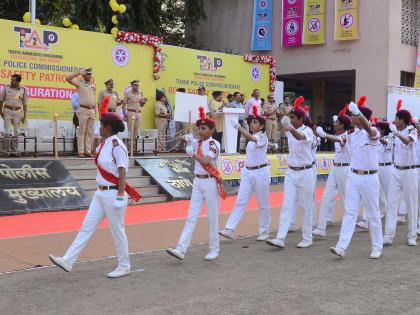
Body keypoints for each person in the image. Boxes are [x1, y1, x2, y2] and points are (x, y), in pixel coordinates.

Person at [49, 112, 141, 278]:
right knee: (87, 226)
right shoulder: (104, 144)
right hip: (101, 192)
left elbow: (122, 172)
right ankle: (68, 260)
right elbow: (96, 154)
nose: (99, 127)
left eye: (101, 125)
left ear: (108, 127)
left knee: (117, 231)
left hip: (114, 193)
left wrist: (120, 195)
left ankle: (124, 265)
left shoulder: (117, 146)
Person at [167, 107, 225, 261]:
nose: (200, 130)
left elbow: (206, 160)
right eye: (199, 127)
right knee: (191, 216)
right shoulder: (197, 141)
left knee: (212, 217)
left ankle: (214, 249)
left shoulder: (214, 144)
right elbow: (184, 142)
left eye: (204, 128)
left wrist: (191, 153)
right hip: (197, 181)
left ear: (212, 130)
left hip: (210, 181)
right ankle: (181, 248)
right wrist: (184, 139)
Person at [330, 96, 383, 259]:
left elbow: (369, 129)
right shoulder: (352, 134)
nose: (351, 118)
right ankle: (341, 246)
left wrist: (358, 113)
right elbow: (340, 138)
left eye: (353, 116)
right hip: (353, 176)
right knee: (350, 212)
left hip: (369, 177)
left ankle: (376, 247)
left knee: (373, 213)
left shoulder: (373, 132)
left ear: (361, 118)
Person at [265, 96, 316, 249]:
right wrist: (286, 123)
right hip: (291, 172)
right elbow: (289, 130)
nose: (290, 119)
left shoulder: (308, 131)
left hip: (306, 172)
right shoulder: (290, 129)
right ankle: (280, 238)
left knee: (306, 206)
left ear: (300, 119)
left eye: (293, 117)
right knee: (287, 205)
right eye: (290, 117)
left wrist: (289, 127)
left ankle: (308, 238)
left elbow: (299, 137)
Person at [219, 105, 271, 241]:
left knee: (263, 203)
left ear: (261, 126)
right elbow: (251, 138)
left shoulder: (261, 137)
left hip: (261, 172)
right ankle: (230, 229)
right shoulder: (255, 136)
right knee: (240, 201)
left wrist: (238, 127)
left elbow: (251, 138)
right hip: (248, 172)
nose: (252, 124)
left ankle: (264, 231)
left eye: (255, 122)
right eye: (251, 122)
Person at [312, 108, 352, 237]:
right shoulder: (339, 135)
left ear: (342, 125)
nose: (334, 124)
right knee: (326, 197)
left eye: (336, 122)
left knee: (346, 200)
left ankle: (348, 226)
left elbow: (337, 139)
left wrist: (323, 134)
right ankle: (321, 227)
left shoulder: (347, 136)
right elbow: (335, 138)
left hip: (346, 169)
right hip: (335, 168)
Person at [384, 102, 418, 246]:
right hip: (396, 170)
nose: (394, 121)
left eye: (396, 119)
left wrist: (397, 133)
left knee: (412, 204)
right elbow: (389, 144)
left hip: (410, 171)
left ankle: (412, 236)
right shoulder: (394, 133)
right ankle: (388, 235)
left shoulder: (412, 130)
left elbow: (407, 141)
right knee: (391, 203)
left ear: (402, 120)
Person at [66, 68, 96, 158]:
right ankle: (81, 151)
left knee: (90, 132)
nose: (90, 76)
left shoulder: (92, 85)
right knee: (82, 131)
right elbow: (68, 78)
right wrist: (78, 73)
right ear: (83, 75)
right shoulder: (79, 83)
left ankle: (87, 151)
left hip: (92, 110)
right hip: (83, 110)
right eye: (88, 74)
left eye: (90, 74)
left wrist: (95, 111)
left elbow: (93, 99)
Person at [0, 74, 28, 155]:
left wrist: (24, 115)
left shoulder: (23, 90)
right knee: (7, 131)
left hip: (18, 112)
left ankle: (14, 150)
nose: (11, 81)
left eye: (14, 80)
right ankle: (6, 151)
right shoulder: (6, 88)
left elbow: (25, 104)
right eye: (11, 80)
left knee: (16, 132)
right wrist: (0, 111)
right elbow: (1, 100)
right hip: (7, 110)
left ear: (18, 81)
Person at [123, 80, 148, 153]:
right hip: (131, 112)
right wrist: (125, 115)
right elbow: (123, 105)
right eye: (135, 85)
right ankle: (130, 148)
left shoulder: (140, 93)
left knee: (136, 131)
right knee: (131, 131)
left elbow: (141, 105)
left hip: (138, 113)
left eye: (138, 85)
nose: (137, 86)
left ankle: (133, 148)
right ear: (132, 85)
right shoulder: (128, 94)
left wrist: (144, 102)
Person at [175, 88, 187, 152]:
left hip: (184, 118)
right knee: (177, 133)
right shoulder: (177, 99)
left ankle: (183, 148)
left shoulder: (187, 99)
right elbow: (175, 107)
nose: (177, 93)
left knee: (184, 133)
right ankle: (177, 147)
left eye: (178, 92)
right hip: (177, 118)